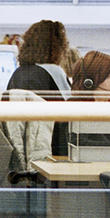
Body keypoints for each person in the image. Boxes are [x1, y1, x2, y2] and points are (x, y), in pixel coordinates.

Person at [5, 19, 72, 155]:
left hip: (20, 150)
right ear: (58, 47)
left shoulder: (18, 73)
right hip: (50, 149)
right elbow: (70, 113)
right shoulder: (55, 72)